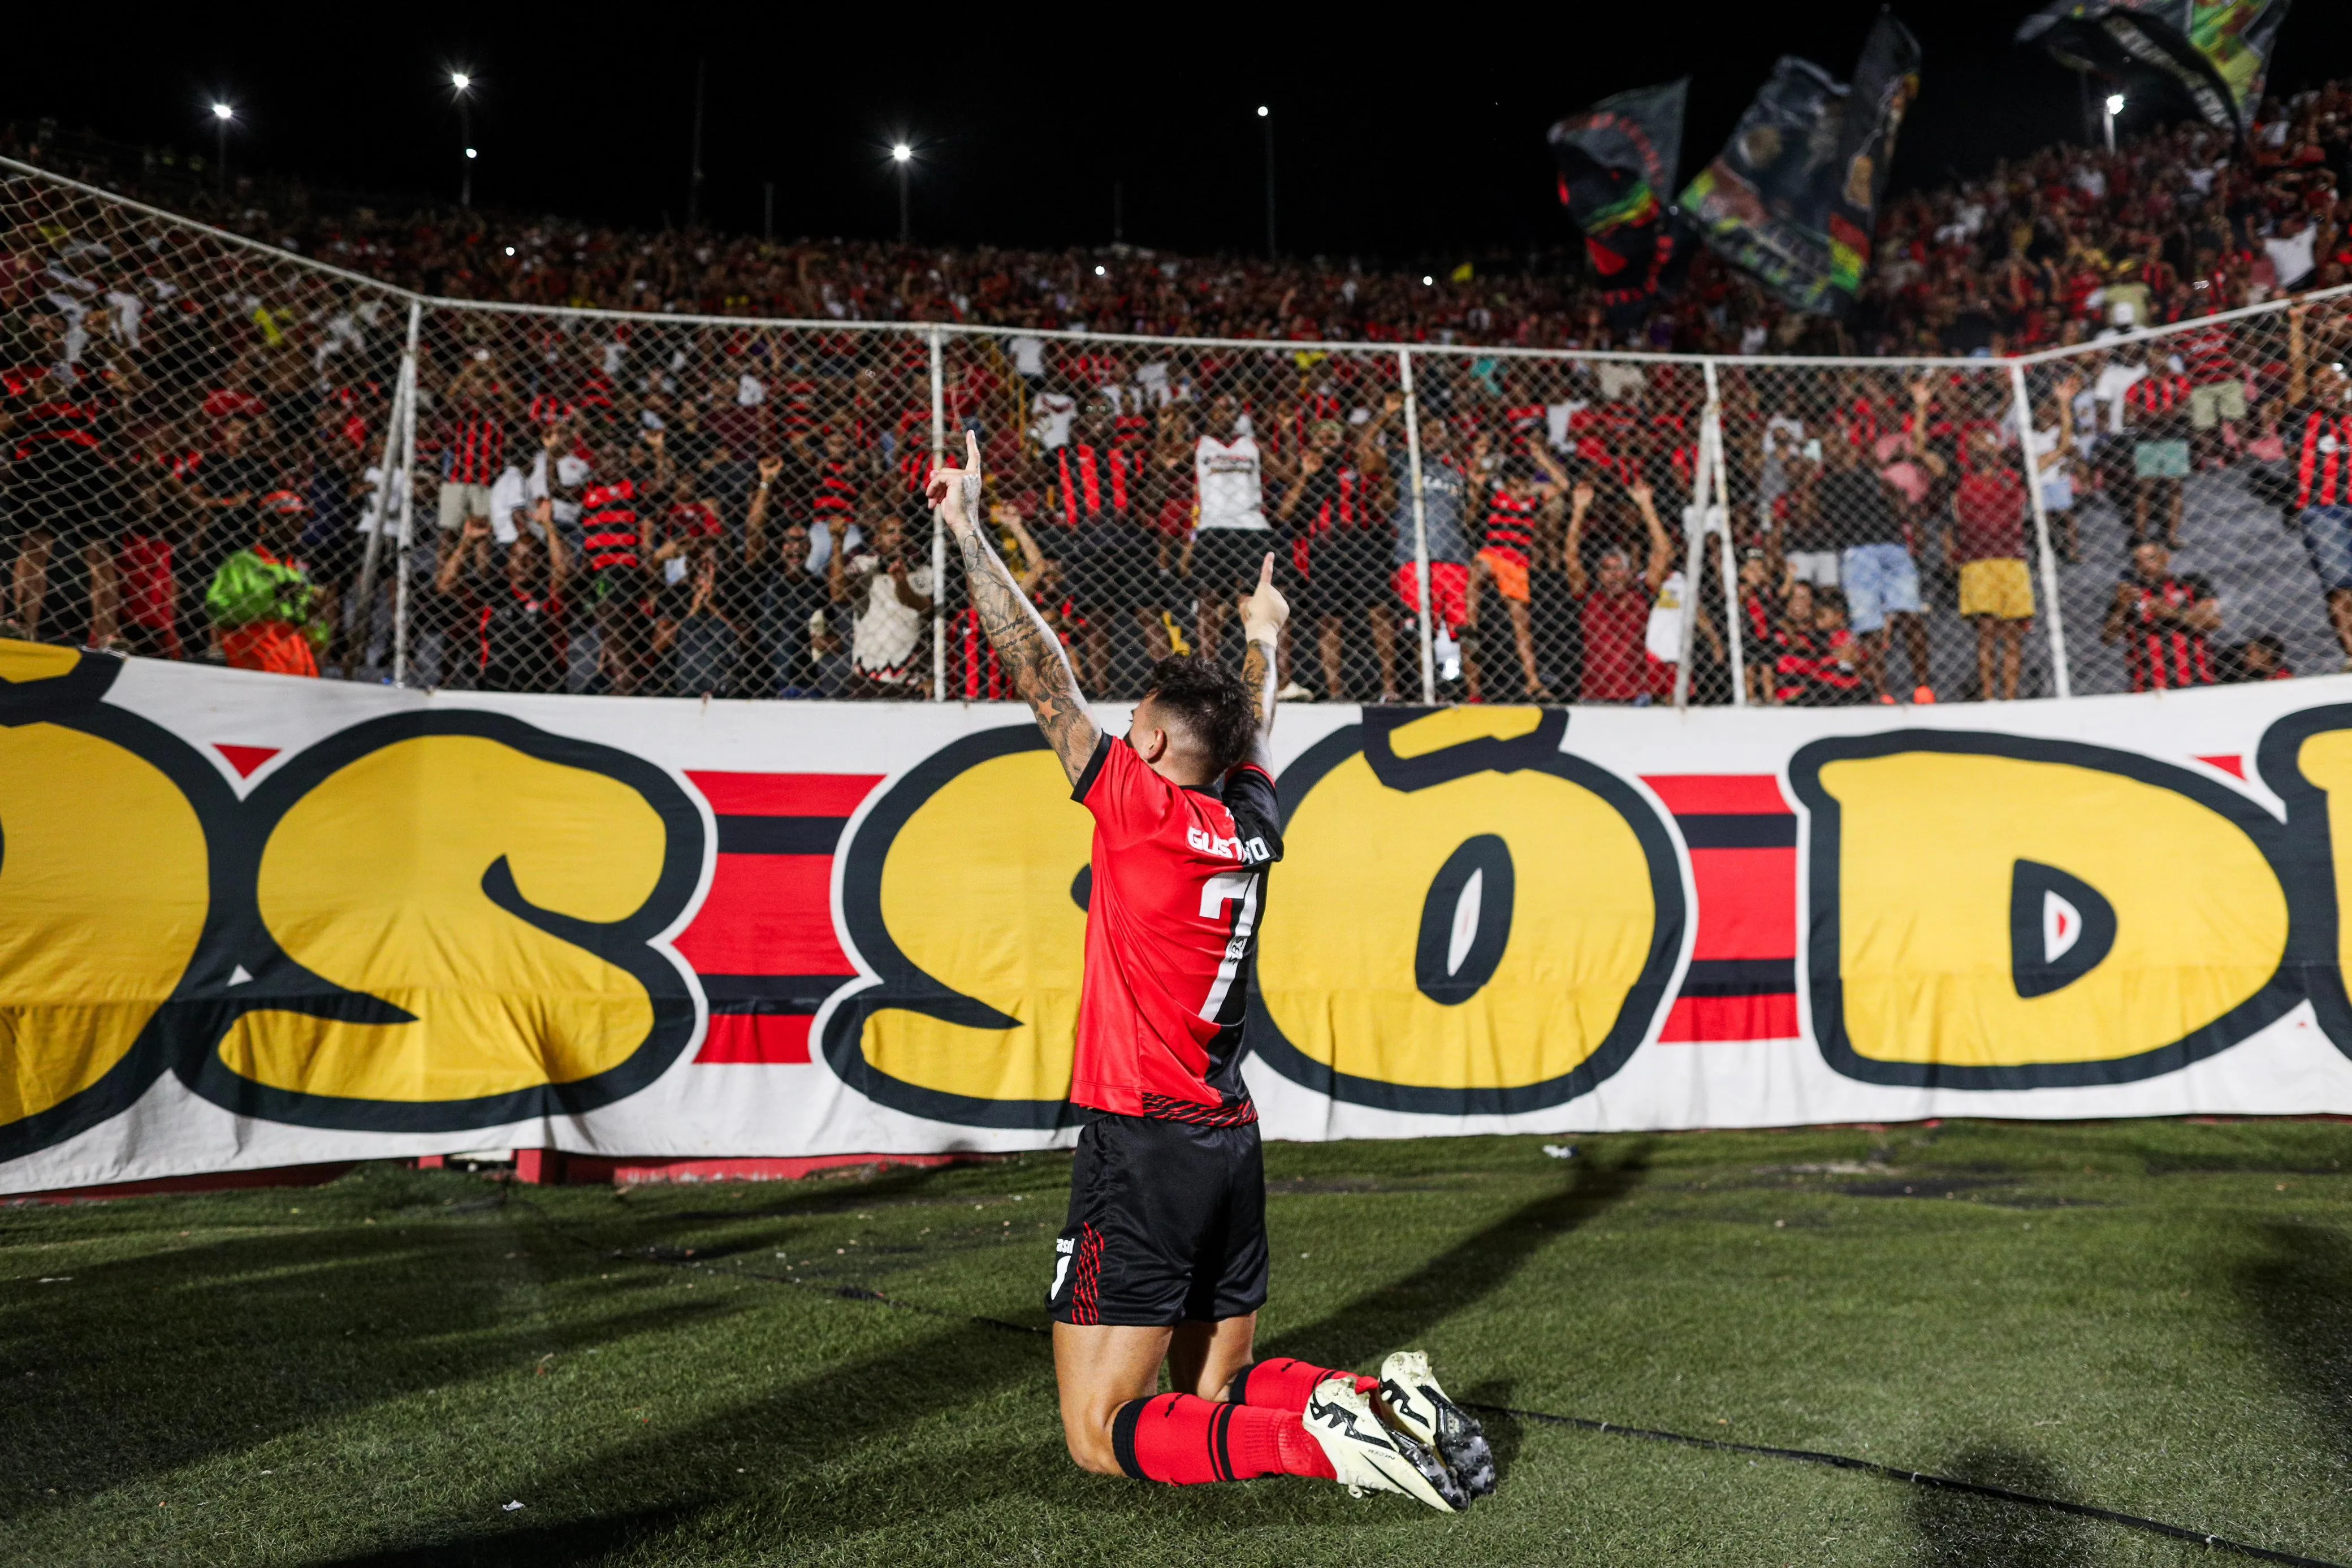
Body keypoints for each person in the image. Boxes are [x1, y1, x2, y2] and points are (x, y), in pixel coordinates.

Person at [926, 431, 1491, 1513]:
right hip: (1229, 1139)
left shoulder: (1136, 807)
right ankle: (1369, 1401)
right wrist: (1264, 634)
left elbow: (1041, 670)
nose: (1117, 737)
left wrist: (969, 533)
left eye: (1130, 729)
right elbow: (1255, 721)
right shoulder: (1250, 817)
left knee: (1101, 1433)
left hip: (1143, 1144)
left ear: (1145, 751)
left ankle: (1339, 1449)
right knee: (1217, 1384)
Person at [1562, 477, 1672, 704]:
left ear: (1631, 572)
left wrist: (1646, 506)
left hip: (1636, 696)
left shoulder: (1641, 595)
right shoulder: (1590, 597)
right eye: (1607, 569)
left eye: (1619, 568)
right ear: (1599, 575)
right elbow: (1571, 558)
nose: (1613, 575)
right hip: (1594, 695)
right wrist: (1579, 511)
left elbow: (1664, 552)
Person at [1947, 426, 2037, 701]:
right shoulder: (1961, 484)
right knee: (1986, 633)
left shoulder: (2014, 479)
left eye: (1985, 445)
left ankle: (2009, 696)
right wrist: (1923, 408)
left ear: (1997, 448)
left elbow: (2057, 452)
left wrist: (2064, 408)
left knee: (2013, 635)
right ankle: (1988, 696)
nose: (1981, 450)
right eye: (1974, 445)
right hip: (1977, 563)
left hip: (2012, 561)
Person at [205, 490, 331, 677]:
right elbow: (219, 608)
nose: (298, 525)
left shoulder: (297, 573)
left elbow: (318, 640)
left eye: (301, 519)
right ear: (266, 524)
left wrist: (315, 616)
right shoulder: (242, 563)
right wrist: (272, 596)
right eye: (289, 519)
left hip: (300, 668)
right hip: (260, 666)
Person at [1188, 392, 1272, 665]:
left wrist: (1281, 430)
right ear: (1209, 414)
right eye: (1219, 410)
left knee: (1258, 598)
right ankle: (1208, 666)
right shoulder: (1200, 445)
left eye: (1231, 410)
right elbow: (1163, 466)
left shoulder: (1252, 444)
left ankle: (1265, 668)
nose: (1225, 416)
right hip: (1213, 526)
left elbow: (1286, 470)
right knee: (1208, 597)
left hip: (1253, 527)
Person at [829, 510, 933, 696]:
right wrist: (838, 544)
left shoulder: (923, 574)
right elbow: (839, 594)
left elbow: (923, 608)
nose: (898, 537)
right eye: (891, 532)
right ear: (877, 540)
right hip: (867, 677)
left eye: (903, 532)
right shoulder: (863, 566)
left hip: (910, 680)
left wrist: (901, 583)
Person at [2103, 540, 2220, 691]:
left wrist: (2173, 613)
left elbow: (2214, 621)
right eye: (2138, 561)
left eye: (2151, 558)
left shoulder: (2192, 584)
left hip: (2194, 681)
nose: (2145, 566)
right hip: (2147, 686)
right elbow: (2107, 638)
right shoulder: (2129, 594)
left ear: (2165, 557)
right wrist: (2120, 608)